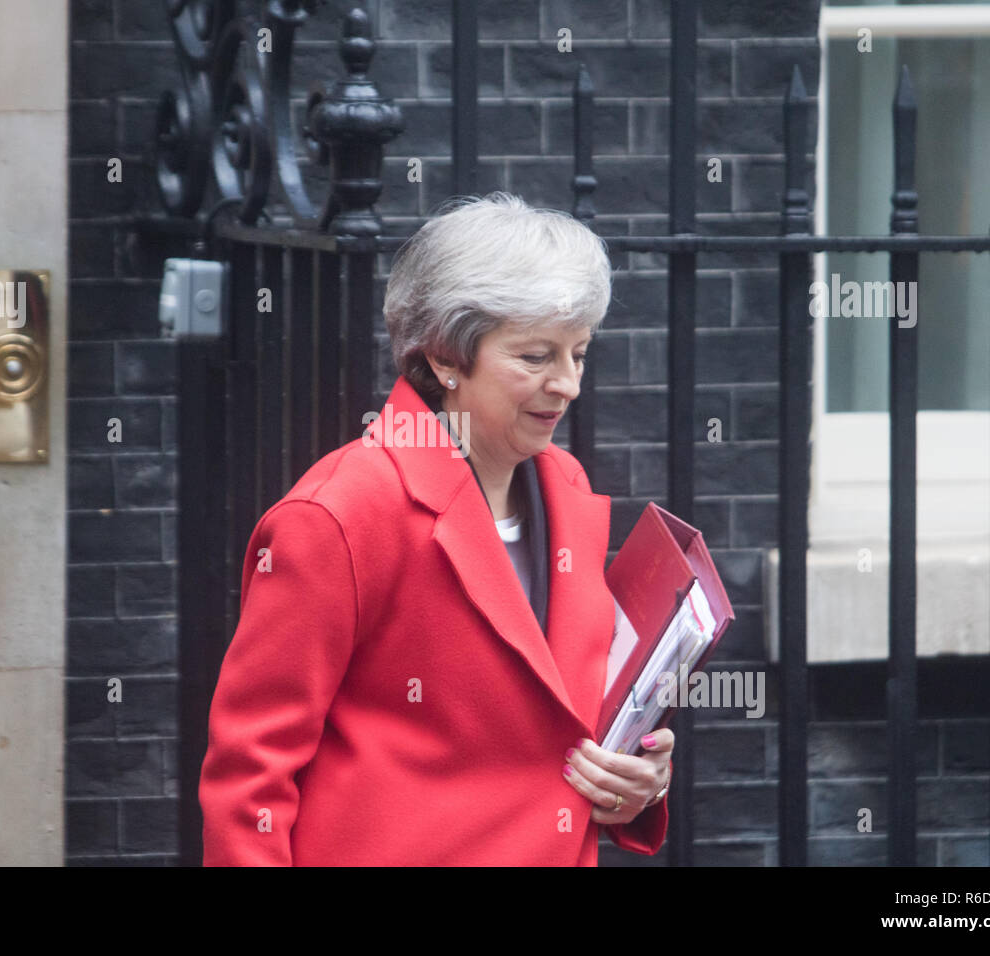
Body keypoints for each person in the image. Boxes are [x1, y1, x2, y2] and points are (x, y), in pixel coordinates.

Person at [199, 191, 673, 865]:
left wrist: (638, 778)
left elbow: (564, 721)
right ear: (446, 357)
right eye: (536, 356)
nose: (567, 383)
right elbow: (249, 781)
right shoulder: (339, 515)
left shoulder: (566, 487)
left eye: (579, 353)